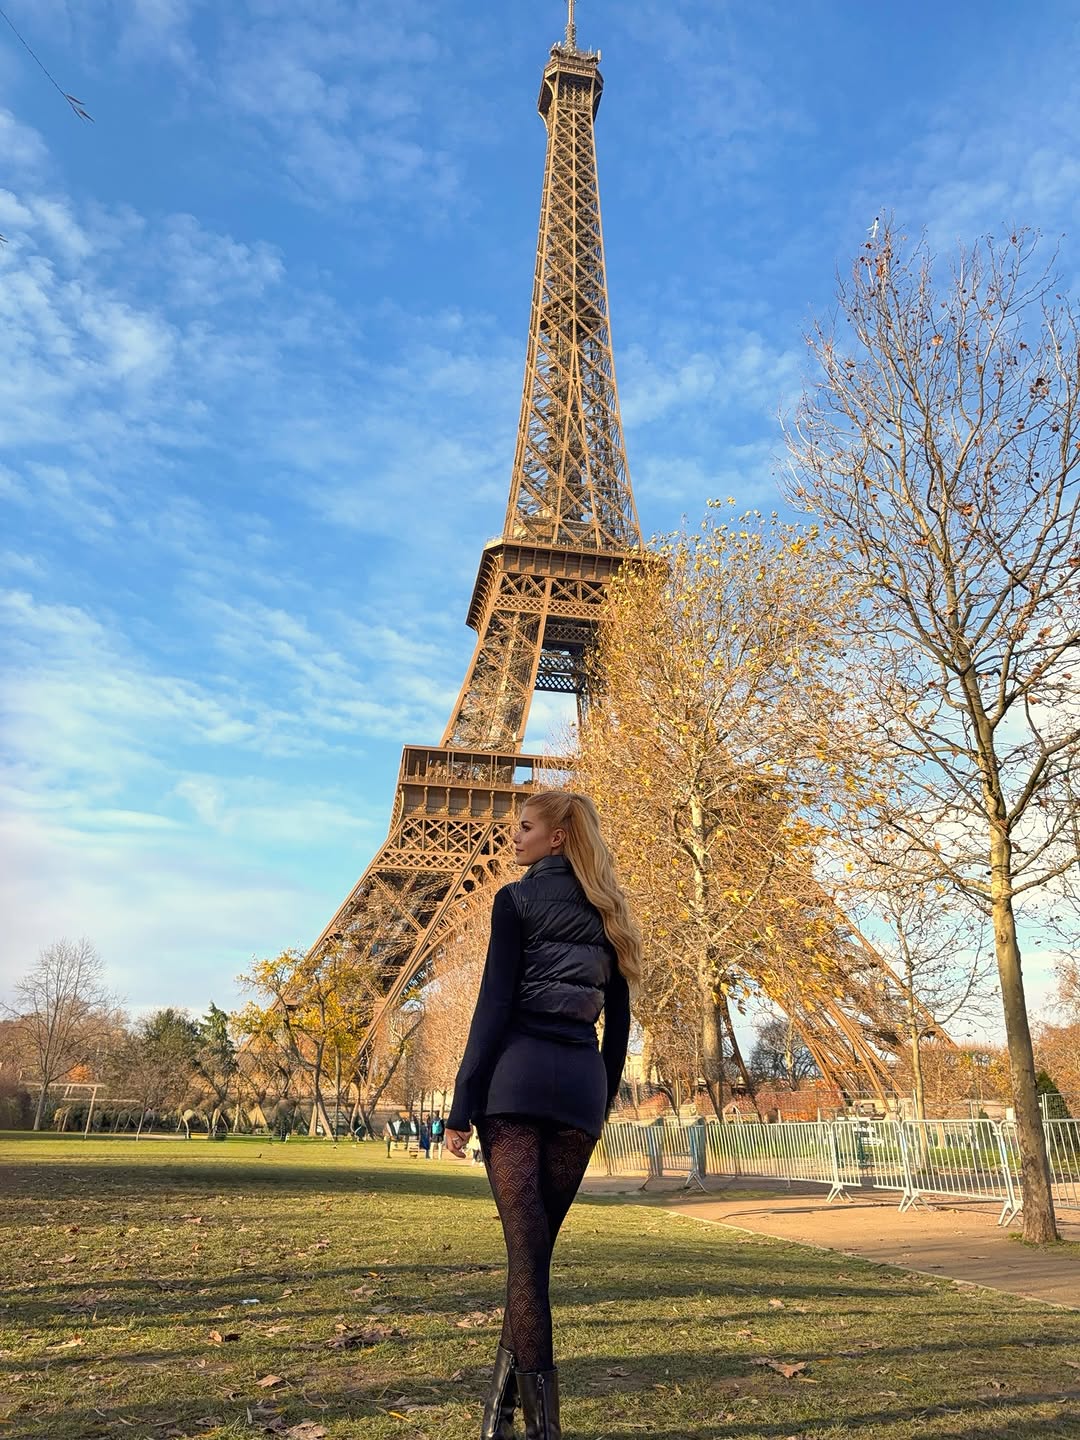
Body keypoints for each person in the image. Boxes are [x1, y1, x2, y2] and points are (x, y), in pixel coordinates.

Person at [445, 789, 638, 1440]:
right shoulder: (610, 912)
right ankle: (498, 1418)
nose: (514, 836)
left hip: (516, 1087)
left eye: (525, 827)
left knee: (527, 1262)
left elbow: (492, 1009)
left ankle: (542, 1432)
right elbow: (618, 1033)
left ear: (556, 837)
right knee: (530, 1259)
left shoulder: (515, 901)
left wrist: (462, 1105)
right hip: (578, 1090)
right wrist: (599, 1106)